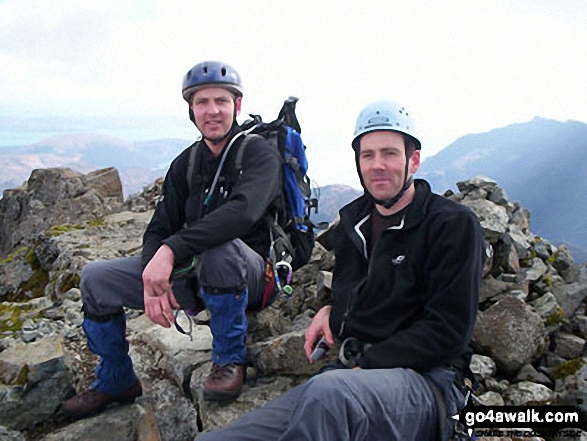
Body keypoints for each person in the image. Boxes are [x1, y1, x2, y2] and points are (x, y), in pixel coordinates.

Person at [197, 100, 487, 441]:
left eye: (390, 154)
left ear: (414, 160)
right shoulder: (353, 222)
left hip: (429, 384)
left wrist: (368, 363)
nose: (377, 165)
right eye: (367, 155)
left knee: (329, 395)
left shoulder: (451, 225)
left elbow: (448, 331)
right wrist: (334, 313)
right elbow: (364, 300)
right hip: (352, 377)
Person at [64, 60, 283, 418]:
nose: (212, 111)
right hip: (198, 276)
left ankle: (229, 360)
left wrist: (171, 250)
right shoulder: (187, 163)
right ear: (191, 111)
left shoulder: (258, 153)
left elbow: (242, 213)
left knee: (219, 249)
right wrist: (155, 271)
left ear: (237, 106)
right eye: (202, 102)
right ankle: (117, 378)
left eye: (222, 101)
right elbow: (159, 226)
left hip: (255, 277)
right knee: (96, 279)